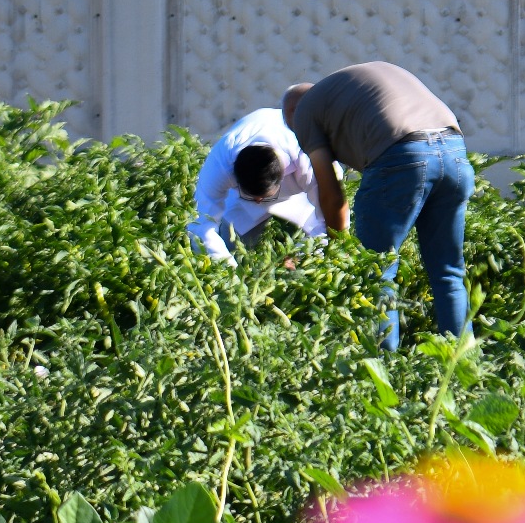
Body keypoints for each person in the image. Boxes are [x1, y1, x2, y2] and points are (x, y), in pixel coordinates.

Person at [287, 63, 470, 347]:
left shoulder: (305, 113)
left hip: (403, 156)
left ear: (292, 115)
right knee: (448, 270)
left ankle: (385, 372)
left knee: (376, 272)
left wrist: (339, 246)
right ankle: (463, 368)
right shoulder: (349, 90)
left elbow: (331, 191)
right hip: (456, 152)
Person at [188, 105, 326, 265]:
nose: (259, 201)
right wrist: (230, 274)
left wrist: (303, 256)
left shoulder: (307, 156)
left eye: (264, 197)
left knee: (309, 242)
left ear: (281, 177)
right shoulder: (219, 165)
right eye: (253, 197)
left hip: (300, 198)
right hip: (239, 205)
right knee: (232, 245)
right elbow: (202, 226)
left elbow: (329, 215)